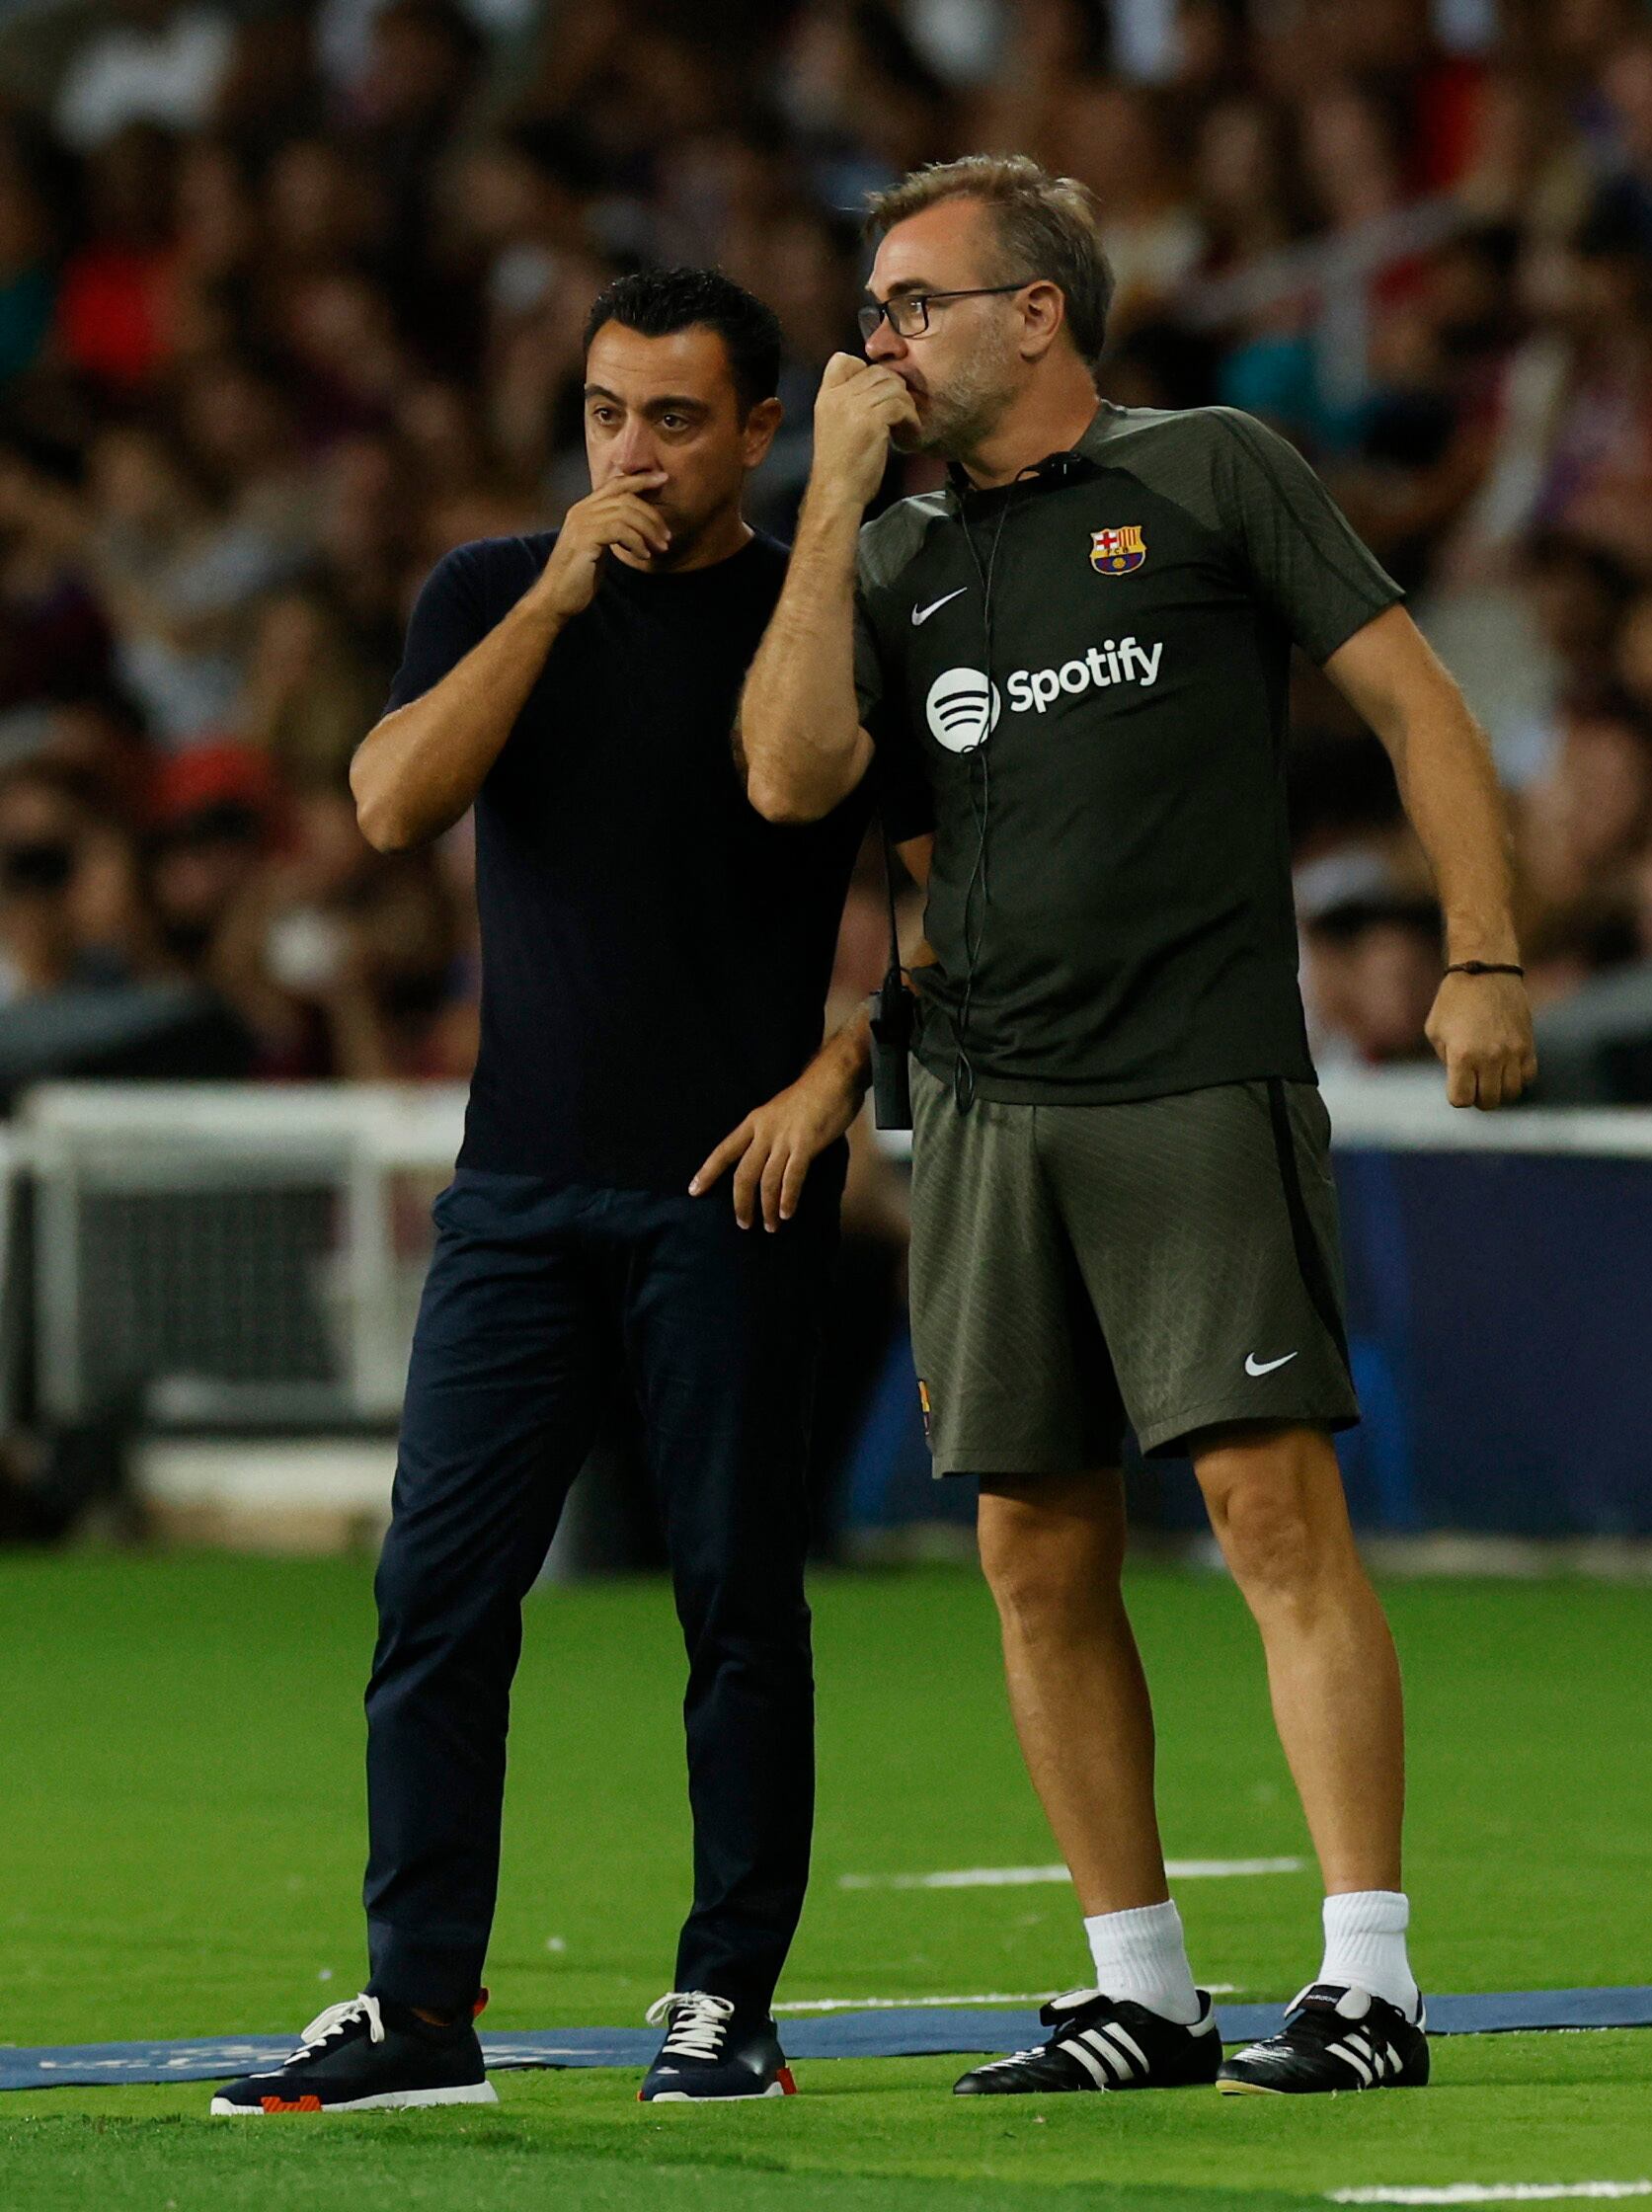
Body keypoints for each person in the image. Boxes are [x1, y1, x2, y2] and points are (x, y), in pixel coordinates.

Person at [738, 154, 1536, 2099]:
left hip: (1194, 1074)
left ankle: (1368, 1981)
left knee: (1270, 1511)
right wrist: (833, 499)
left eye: (913, 301)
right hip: (990, 1106)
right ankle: (1145, 1989)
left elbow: (1424, 705)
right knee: (1033, 1549)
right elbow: (787, 778)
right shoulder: (897, 558)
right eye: (868, 306)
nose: (878, 337)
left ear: (1039, 311)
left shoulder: (1212, 471)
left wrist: (1485, 957)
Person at [211, 266, 924, 2116]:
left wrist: (842, 1066)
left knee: (733, 1606)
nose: (633, 452)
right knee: (435, 1594)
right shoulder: (486, 590)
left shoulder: (819, 602)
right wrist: (545, 592)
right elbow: (384, 805)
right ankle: (417, 2011)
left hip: (728, 1191)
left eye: (676, 420)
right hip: (516, 1190)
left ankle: (724, 2003)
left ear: (758, 432)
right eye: (607, 413)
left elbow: (902, 867)